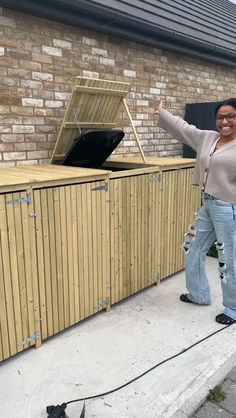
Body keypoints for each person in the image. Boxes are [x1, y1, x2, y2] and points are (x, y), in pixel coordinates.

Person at [152, 98, 236, 325]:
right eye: (220, 117)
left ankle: (233, 308)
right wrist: (163, 113)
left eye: (231, 116)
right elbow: (184, 129)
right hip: (207, 204)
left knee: (228, 259)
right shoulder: (208, 138)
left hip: (228, 208)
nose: (225, 121)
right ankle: (198, 295)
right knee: (192, 247)